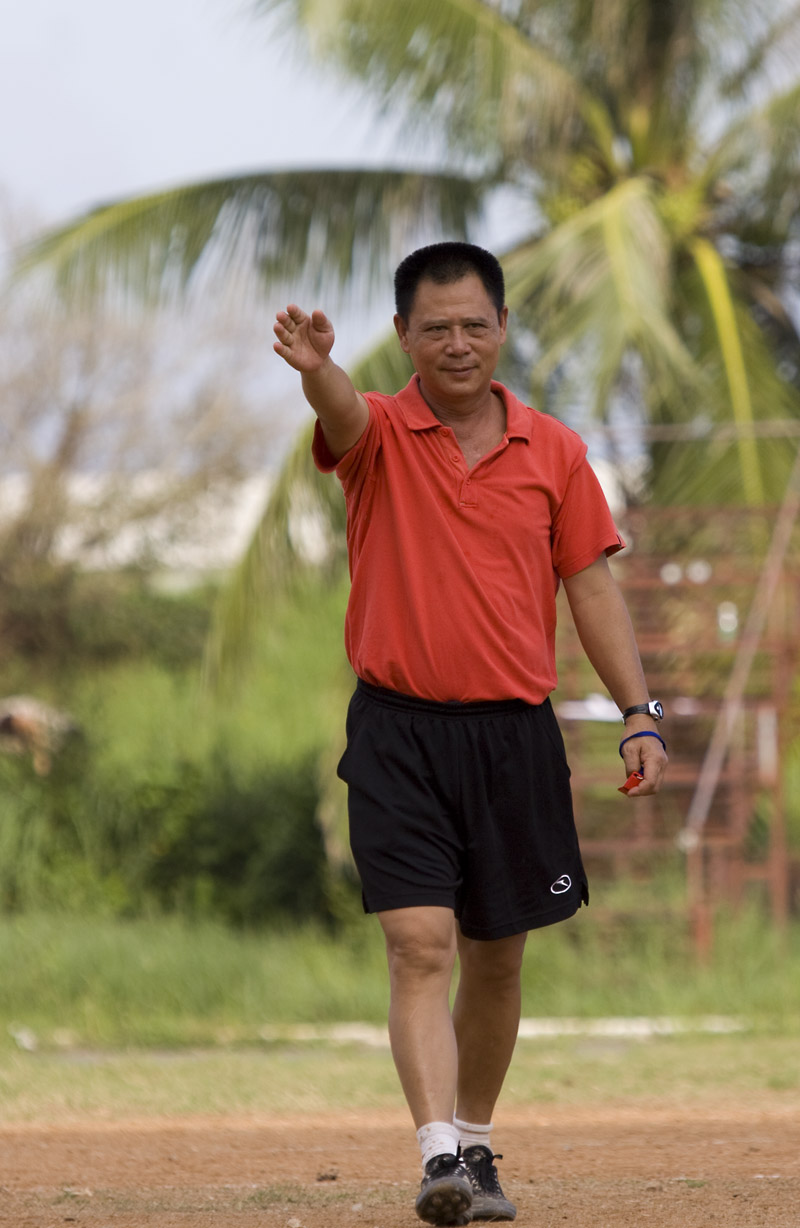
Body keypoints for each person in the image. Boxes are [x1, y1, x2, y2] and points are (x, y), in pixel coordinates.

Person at [273, 242, 668, 1226]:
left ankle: (476, 1146)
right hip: (398, 735)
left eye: (473, 325)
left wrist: (637, 713)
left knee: (496, 957)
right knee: (419, 946)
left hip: (512, 739)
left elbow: (590, 589)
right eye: (435, 327)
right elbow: (340, 412)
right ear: (403, 336)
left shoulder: (555, 450)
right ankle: (437, 1155)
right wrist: (319, 370)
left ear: (501, 328)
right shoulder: (377, 433)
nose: (457, 343)